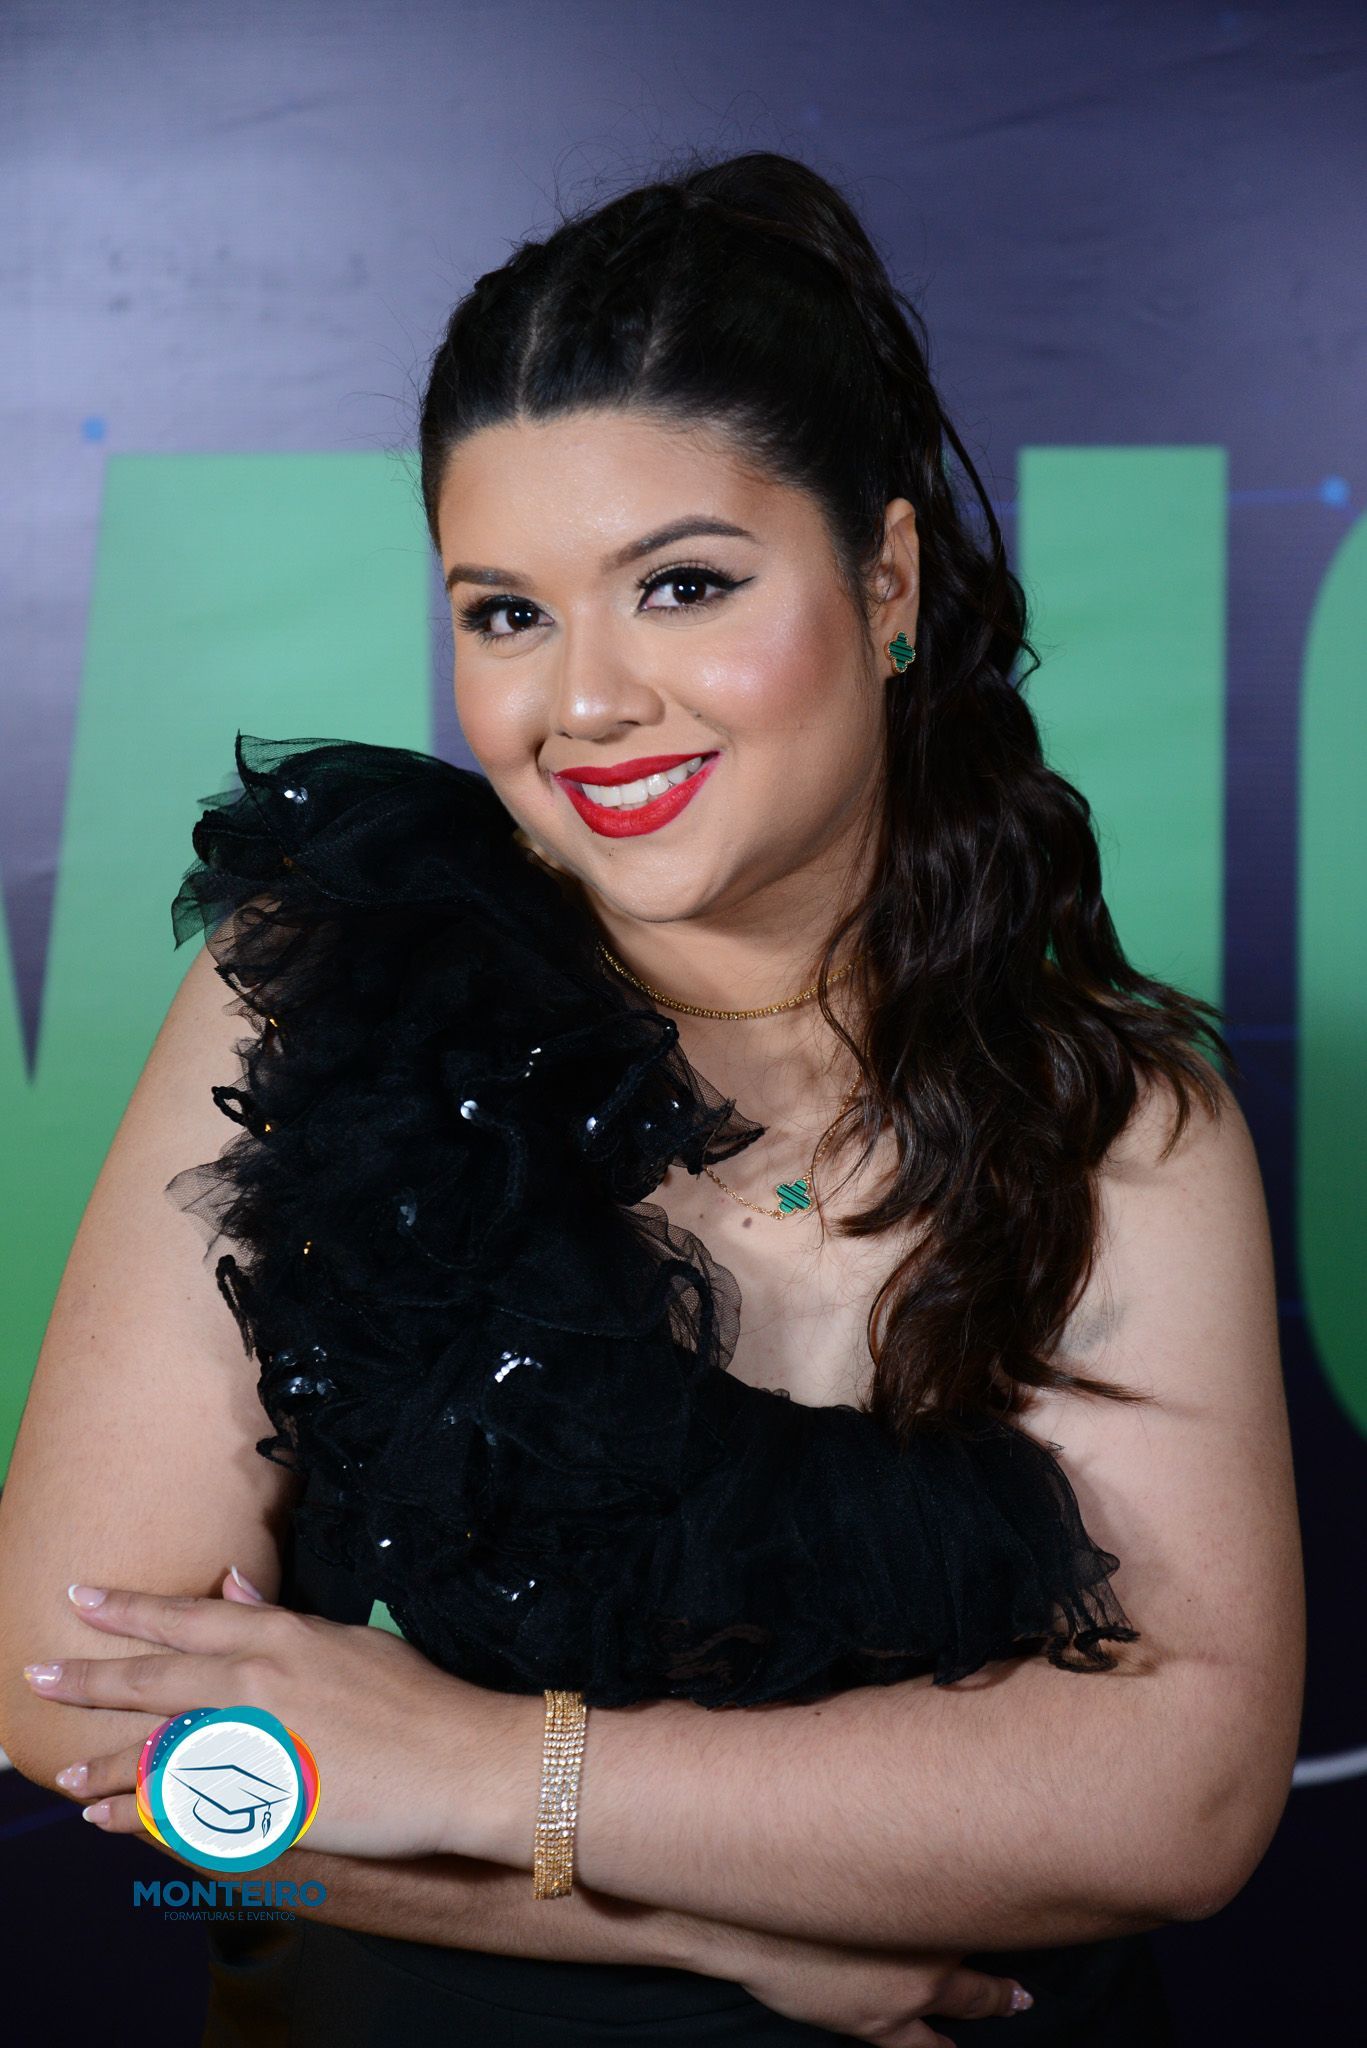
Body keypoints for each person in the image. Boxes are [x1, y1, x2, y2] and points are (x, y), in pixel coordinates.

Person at [0, 150, 1303, 2046]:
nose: (588, 700)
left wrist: (486, 1768)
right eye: (505, 614)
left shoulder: (1116, 1126)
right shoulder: (324, 992)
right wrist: (706, 1933)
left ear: (886, 579)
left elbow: (1182, 1796)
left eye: (682, 586)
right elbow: (81, 1711)